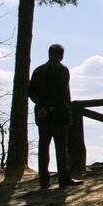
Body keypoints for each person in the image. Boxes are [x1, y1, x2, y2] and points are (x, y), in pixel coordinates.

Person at [28, 44, 83, 189]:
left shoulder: (38, 70)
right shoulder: (62, 70)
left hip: (42, 115)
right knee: (60, 147)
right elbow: (61, 92)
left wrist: (42, 106)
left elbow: (31, 91)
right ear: (61, 55)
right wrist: (50, 107)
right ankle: (64, 179)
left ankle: (44, 181)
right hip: (59, 114)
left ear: (49, 54)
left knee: (43, 147)